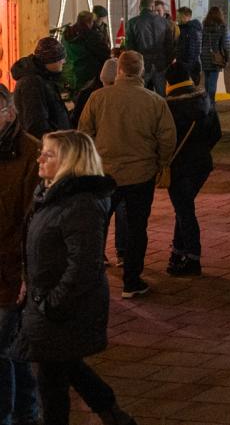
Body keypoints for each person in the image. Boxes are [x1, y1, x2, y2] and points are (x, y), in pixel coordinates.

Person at [10, 130, 137, 425]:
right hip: (47, 301)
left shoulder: (80, 204)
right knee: (63, 365)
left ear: (69, 161)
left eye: (48, 154)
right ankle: (113, 414)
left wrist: (53, 302)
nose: (39, 158)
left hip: (64, 306)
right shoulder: (50, 194)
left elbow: (84, 265)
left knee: (52, 380)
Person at [79, 51, 176, 299]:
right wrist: (161, 162)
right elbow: (167, 138)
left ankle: (90, 278)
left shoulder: (98, 98)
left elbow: (84, 133)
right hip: (140, 174)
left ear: (119, 70)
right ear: (141, 71)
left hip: (104, 173)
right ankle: (131, 281)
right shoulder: (154, 101)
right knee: (136, 228)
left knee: (97, 225)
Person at [0, 85, 41, 425]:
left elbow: (32, 223)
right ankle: (27, 411)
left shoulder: (30, 154)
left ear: (10, 112)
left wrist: (26, 274)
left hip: (11, 272)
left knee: (6, 349)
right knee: (13, 351)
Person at [163, 61, 222, 277]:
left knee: (185, 211)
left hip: (178, 166)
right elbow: (216, 133)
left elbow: (163, 139)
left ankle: (192, 257)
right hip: (201, 165)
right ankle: (178, 252)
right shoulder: (204, 100)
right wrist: (201, 150)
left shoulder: (167, 107)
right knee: (184, 208)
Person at [13, 37, 71, 138]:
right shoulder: (31, 83)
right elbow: (36, 124)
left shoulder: (44, 78)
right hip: (49, 146)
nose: (64, 61)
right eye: (60, 58)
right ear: (50, 60)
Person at [125, 0, 174, 95]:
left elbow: (129, 48)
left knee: (140, 96)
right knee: (162, 97)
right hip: (160, 64)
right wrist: (166, 62)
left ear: (140, 7)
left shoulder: (132, 22)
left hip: (141, 66)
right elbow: (169, 46)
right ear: (152, 7)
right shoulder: (165, 22)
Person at [63, 11, 111, 93]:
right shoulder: (91, 36)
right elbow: (105, 53)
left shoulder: (66, 34)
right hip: (89, 75)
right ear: (89, 22)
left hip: (71, 73)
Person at [199, 6, 230, 103]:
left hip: (204, 56)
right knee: (212, 82)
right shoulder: (222, 26)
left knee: (207, 81)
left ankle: (207, 102)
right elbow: (225, 45)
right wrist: (227, 58)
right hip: (215, 57)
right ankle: (210, 104)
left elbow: (201, 41)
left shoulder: (204, 25)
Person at [174, 7, 203, 84]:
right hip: (185, 65)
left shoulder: (192, 29)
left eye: (179, 17)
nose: (177, 19)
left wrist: (187, 66)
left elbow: (193, 50)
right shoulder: (183, 28)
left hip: (190, 67)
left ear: (186, 16)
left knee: (189, 89)